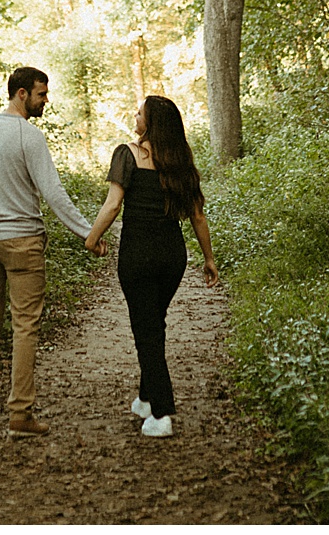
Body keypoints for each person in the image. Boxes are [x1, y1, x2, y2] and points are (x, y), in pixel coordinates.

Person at [0, 65, 103, 438]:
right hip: (23, 242)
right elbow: (54, 194)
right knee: (25, 327)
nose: (45, 101)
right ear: (21, 93)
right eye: (41, 94)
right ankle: (20, 414)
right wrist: (89, 233)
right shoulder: (28, 136)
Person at [83, 94, 218, 438]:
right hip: (173, 257)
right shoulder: (180, 160)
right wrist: (209, 259)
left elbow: (113, 205)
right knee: (152, 323)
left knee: (146, 331)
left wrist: (91, 238)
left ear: (151, 122)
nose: (135, 115)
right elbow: (198, 216)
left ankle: (161, 412)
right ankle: (145, 398)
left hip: (138, 256)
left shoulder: (127, 154)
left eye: (139, 112)